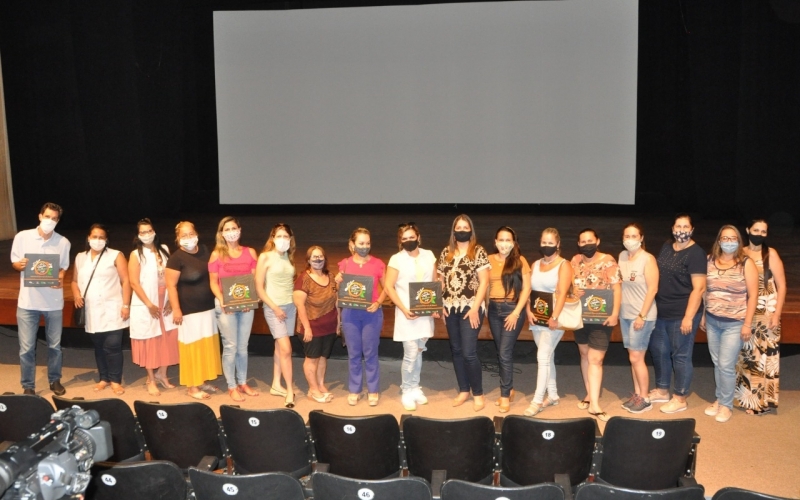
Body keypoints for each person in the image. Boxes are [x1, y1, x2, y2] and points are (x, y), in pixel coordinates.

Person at [648, 214, 706, 413]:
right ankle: (662, 389)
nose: (681, 230)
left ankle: (680, 397)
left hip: (682, 313)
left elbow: (698, 288)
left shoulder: (696, 253)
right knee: (659, 351)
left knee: (680, 355)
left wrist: (689, 317)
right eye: (678, 226)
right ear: (672, 228)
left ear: (692, 229)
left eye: (685, 226)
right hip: (661, 311)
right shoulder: (666, 246)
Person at [10, 202, 71, 395]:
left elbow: (63, 269)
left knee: (55, 346)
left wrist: (60, 278)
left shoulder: (63, 242)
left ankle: (55, 380)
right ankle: (28, 385)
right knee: (26, 348)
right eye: (47, 217)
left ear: (58, 221)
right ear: (39, 216)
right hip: (28, 302)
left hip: (53, 302)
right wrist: (20, 265)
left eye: (54, 219)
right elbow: (15, 264)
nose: (49, 221)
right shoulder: (22, 237)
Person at [701, 225, 757, 423]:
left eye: (732, 238)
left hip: (735, 323)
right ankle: (720, 398)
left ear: (738, 241)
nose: (728, 241)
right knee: (717, 362)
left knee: (725, 364)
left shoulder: (745, 263)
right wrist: (703, 315)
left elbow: (753, 295)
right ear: (719, 240)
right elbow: (706, 291)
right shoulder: (709, 260)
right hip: (713, 320)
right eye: (724, 238)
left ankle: (726, 405)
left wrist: (747, 324)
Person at [437, 214, 490, 411]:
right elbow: (440, 281)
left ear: (471, 230)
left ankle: (478, 392)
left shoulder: (478, 251)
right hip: (450, 307)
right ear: (453, 231)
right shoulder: (446, 252)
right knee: (456, 350)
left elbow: (484, 281)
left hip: (471, 307)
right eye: (458, 227)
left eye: (465, 227)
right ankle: (463, 390)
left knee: (469, 352)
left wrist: (476, 307)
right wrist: (439, 304)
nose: (461, 230)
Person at [165, 221, 222, 400]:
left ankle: (201, 380)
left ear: (196, 233)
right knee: (192, 348)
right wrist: (176, 309)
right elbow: (171, 286)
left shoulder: (205, 251)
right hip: (189, 312)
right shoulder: (176, 258)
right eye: (184, 235)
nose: (188, 238)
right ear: (178, 239)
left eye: (191, 233)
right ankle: (192, 387)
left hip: (208, 309)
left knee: (206, 345)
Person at [71, 224, 131, 395]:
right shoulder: (80, 257)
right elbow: (74, 281)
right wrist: (76, 295)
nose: (97, 240)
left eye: (101, 237)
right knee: (98, 346)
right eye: (94, 237)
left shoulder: (116, 255)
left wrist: (126, 304)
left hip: (113, 308)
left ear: (106, 240)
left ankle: (116, 380)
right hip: (91, 310)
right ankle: (103, 378)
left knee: (112, 345)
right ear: (88, 238)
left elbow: (125, 281)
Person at [384, 223, 438, 411]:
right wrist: (404, 308)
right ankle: (406, 390)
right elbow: (389, 286)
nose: (408, 241)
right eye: (404, 238)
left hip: (424, 312)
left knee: (420, 351)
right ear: (400, 241)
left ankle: (415, 387)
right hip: (406, 313)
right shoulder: (396, 259)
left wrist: (434, 306)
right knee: (410, 353)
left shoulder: (429, 255)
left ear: (418, 237)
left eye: (411, 237)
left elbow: (434, 283)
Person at [735, 219, 786, 415]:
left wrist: (777, 313)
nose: (759, 234)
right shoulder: (740, 252)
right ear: (747, 230)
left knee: (762, 357)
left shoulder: (770, 254)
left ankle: (760, 401)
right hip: (745, 309)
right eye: (756, 230)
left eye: (763, 231)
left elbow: (781, 286)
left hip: (766, 311)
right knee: (746, 355)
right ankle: (745, 396)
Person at [571, 228, 621, 422]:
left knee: (596, 358)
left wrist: (615, 313)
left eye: (589, 240)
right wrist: (573, 291)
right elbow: (568, 285)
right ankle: (590, 394)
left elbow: (617, 288)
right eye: (582, 241)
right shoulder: (574, 261)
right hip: (580, 317)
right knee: (584, 354)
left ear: (597, 241)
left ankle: (595, 405)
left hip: (602, 319)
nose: (586, 244)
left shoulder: (608, 260)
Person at [208, 216, 259, 402]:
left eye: (233, 228)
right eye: (226, 229)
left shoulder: (250, 252)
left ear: (240, 229)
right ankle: (231, 386)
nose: (231, 232)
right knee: (230, 346)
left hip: (246, 306)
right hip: (225, 306)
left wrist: (250, 301)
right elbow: (213, 283)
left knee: (243, 346)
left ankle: (243, 382)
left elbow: (254, 280)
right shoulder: (216, 254)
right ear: (221, 233)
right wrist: (222, 300)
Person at [337, 228, 387, 406]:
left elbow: (387, 287)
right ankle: (355, 389)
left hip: (371, 314)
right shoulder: (344, 264)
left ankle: (373, 390)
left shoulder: (378, 264)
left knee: (371, 353)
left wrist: (378, 302)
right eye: (361, 243)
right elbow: (340, 290)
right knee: (354, 354)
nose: (364, 246)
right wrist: (338, 281)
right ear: (352, 245)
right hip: (350, 314)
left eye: (367, 243)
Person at [525, 227, 572, 417]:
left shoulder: (564, 265)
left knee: (542, 357)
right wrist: (528, 311)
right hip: (536, 319)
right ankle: (552, 394)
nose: (547, 246)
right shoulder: (535, 264)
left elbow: (562, 293)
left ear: (558, 244)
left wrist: (554, 317)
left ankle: (537, 400)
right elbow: (528, 291)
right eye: (544, 242)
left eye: (550, 243)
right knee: (547, 356)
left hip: (554, 320)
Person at [128, 218, 179, 396]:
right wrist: (149, 304)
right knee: (150, 340)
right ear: (138, 235)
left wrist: (171, 300)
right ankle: (150, 379)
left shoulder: (164, 249)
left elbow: (172, 276)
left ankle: (162, 374)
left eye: (149, 231)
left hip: (165, 298)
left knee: (168, 338)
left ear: (154, 232)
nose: (147, 235)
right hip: (147, 302)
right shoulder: (136, 255)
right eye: (143, 232)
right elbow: (134, 283)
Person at [486, 226, 531, 413]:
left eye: (508, 240)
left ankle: (505, 395)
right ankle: (510, 389)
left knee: (504, 352)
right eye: (501, 240)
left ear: (513, 242)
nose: (504, 243)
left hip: (512, 309)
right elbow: (484, 285)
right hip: (494, 310)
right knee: (501, 351)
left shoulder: (520, 261)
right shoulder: (488, 260)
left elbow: (527, 289)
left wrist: (516, 313)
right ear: (495, 241)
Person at [255, 223, 298, 408]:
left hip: (290, 307)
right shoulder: (265, 257)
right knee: (287, 349)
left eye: (286, 237)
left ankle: (276, 384)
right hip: (274, 309)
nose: (282, 240)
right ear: (272, 238)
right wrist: (274, 307)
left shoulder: (290, 257)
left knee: (280, 348)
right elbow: (259, 288)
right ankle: (289, 390)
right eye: (279, 236)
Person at [617, 223, 659, 413]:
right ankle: (637, 394)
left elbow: (653, 288)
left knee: (637, 357)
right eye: (627, 236)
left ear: (641, 238)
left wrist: (642, 315)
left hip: (642, 315)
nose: (630, 239)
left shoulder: (647, 259)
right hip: (625, 314)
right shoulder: (622, 256)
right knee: (633, 357)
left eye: (634, 236)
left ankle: (645, 397)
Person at [294, 246, 338, 403]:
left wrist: (338, 323)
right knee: (312, 358)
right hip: (311, 328)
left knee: (323, 357)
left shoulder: (331, 276)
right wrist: (307, 328)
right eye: (314, 257)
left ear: (325, 258)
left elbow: (336, 301)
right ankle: (312, 390)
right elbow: (300, 306)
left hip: (329, 326)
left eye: (321, 256)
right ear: (308, 260)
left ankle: (320, 384)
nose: (318, 259)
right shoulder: (303, 279)